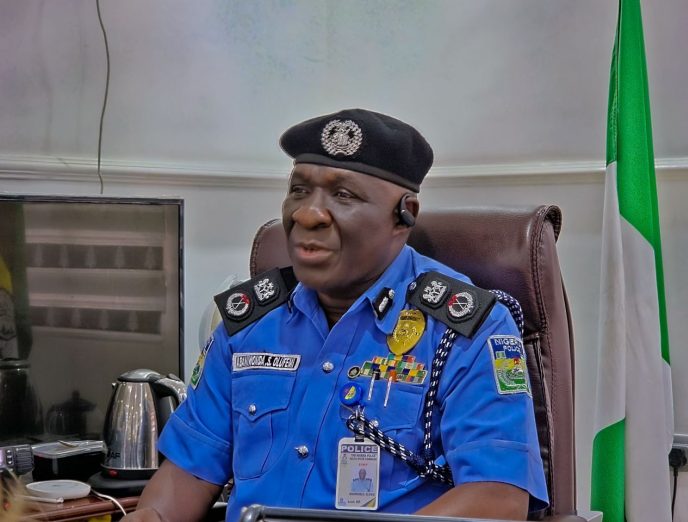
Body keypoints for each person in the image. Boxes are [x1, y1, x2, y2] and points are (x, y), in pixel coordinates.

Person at [124, 109, 548, 521]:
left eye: (344, 195)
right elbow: (191, 469)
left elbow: (496, 500)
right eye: (299, 190)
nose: (307, 214)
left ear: (404, 215)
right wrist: (153, 515)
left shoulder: (466, 329)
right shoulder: (250, 322)